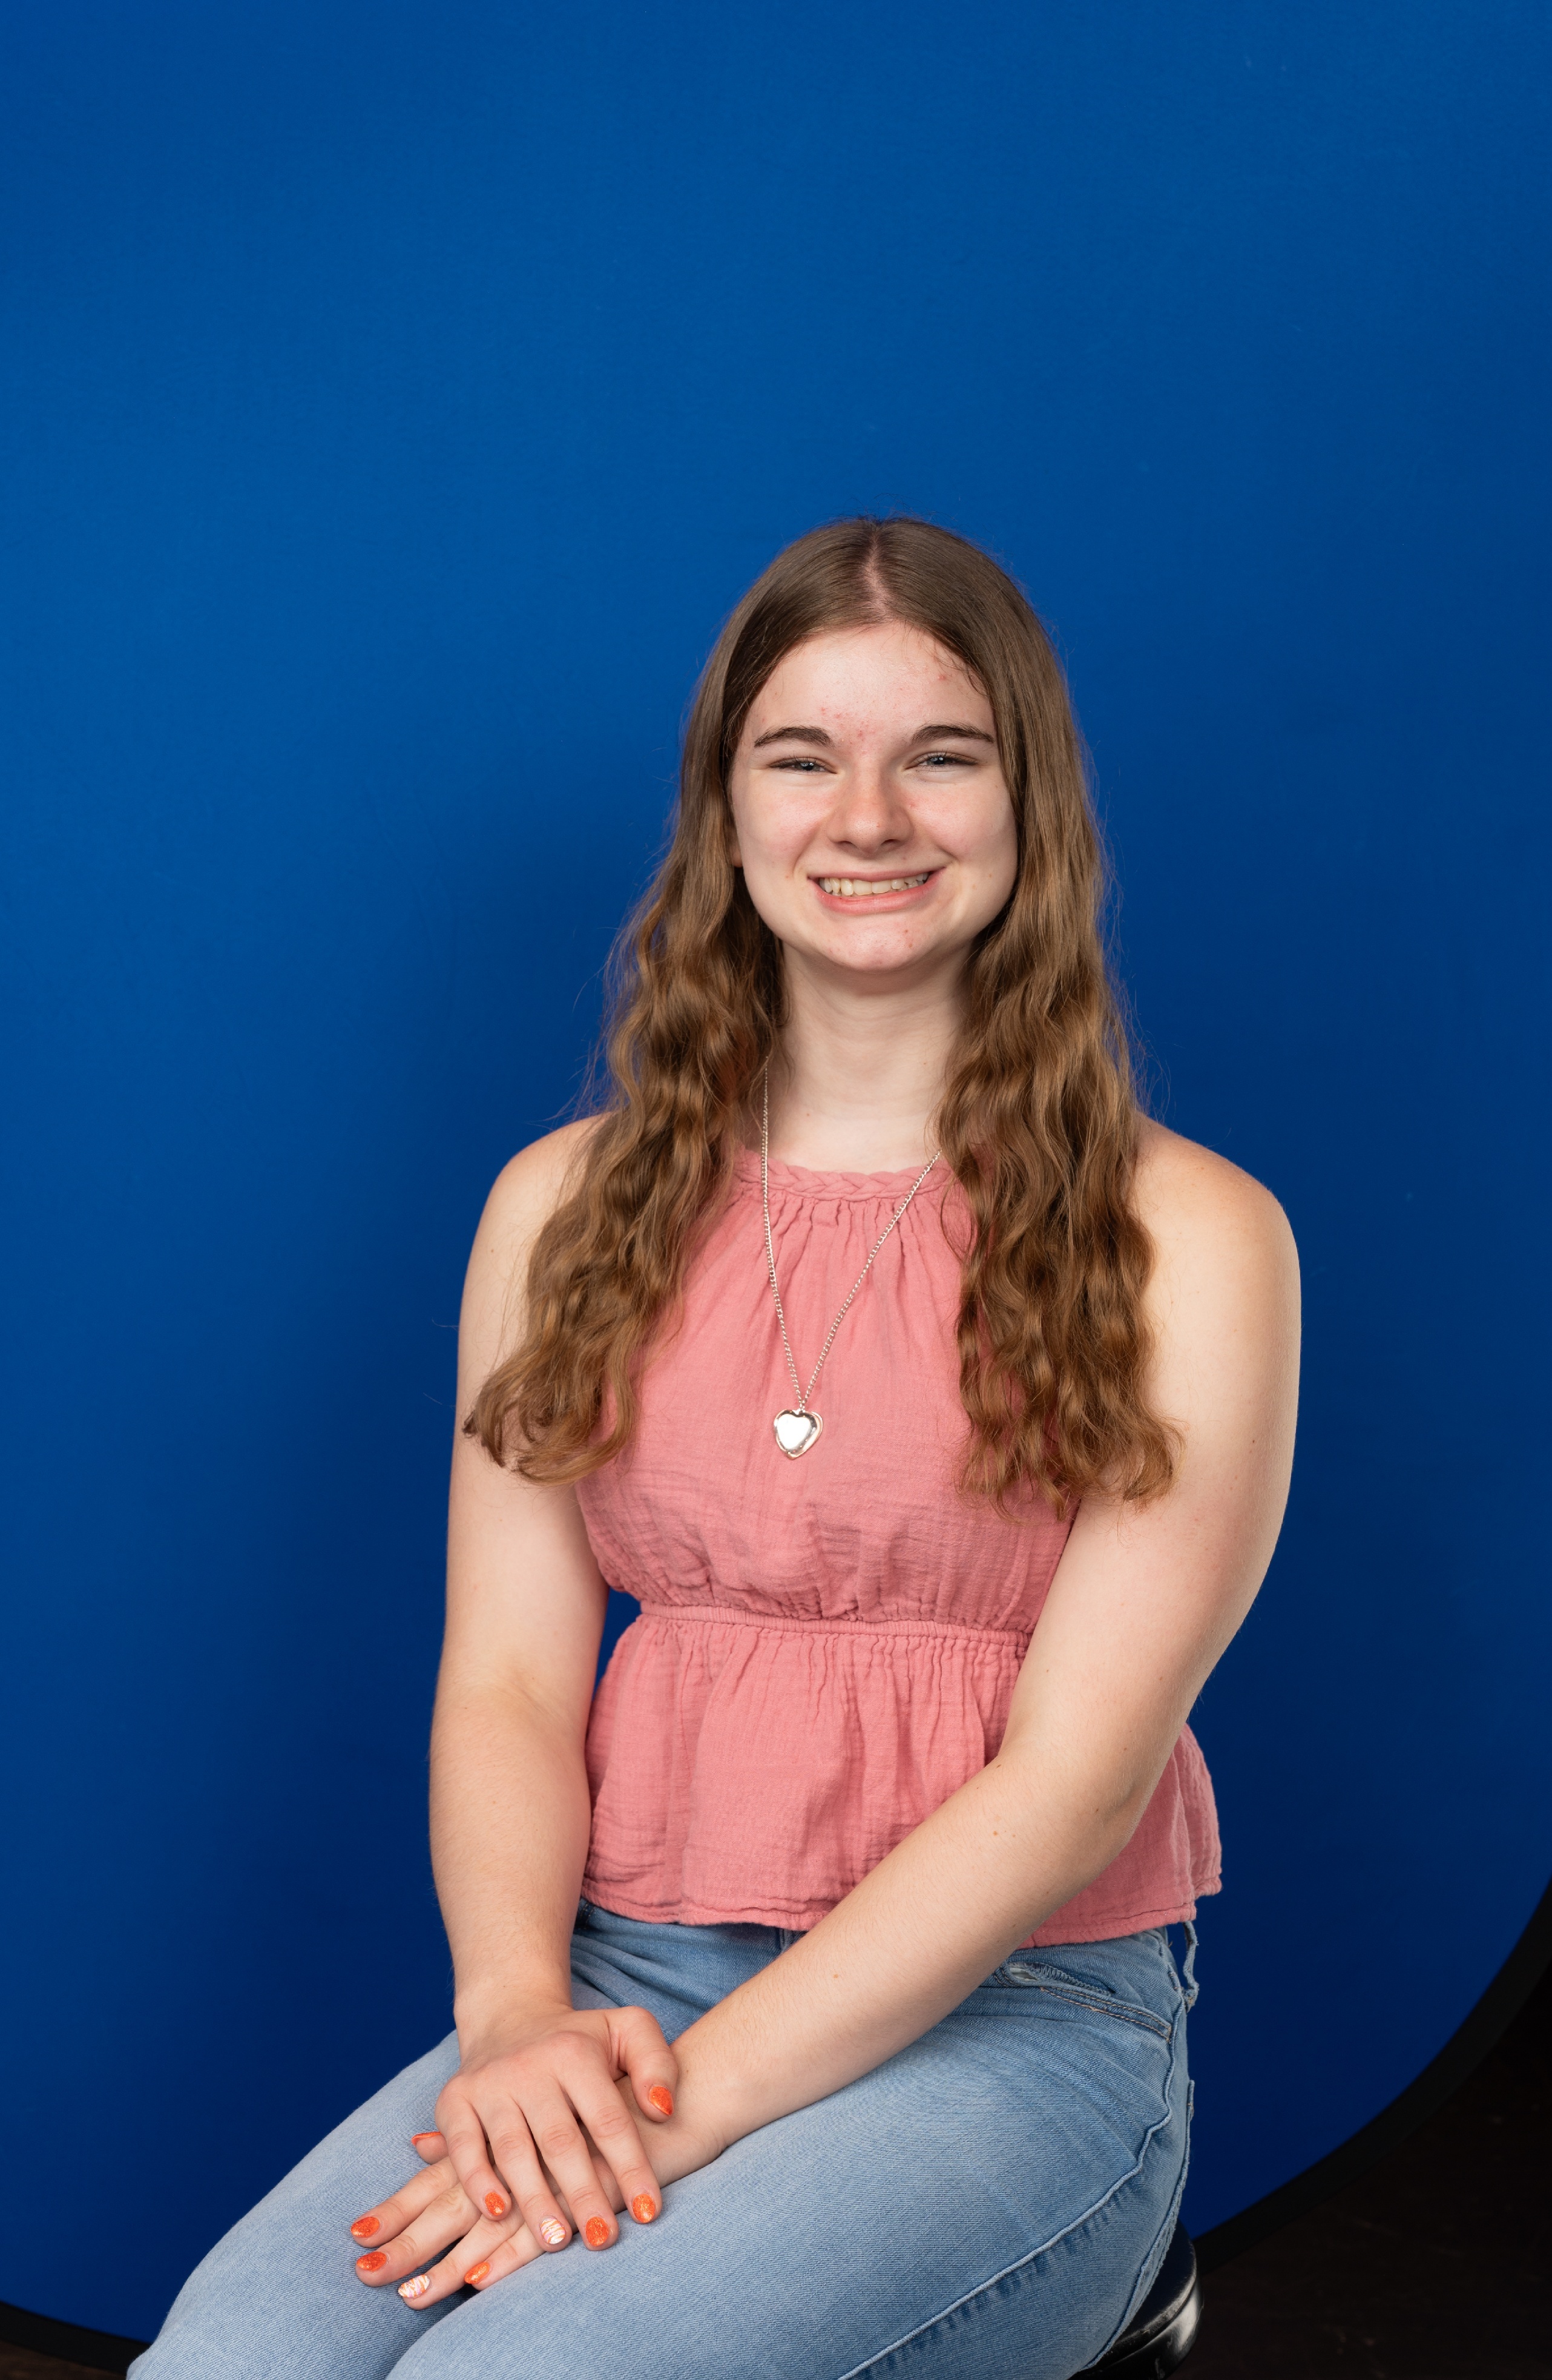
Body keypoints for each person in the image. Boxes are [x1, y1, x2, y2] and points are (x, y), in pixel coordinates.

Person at [133, 517, 1300, 2380]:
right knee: (229, 2365)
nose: (869, 815)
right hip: (625, 1986)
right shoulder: (558, 1208)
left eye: (941, 755)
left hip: (1015, 2024)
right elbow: (510, 1679)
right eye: (802, 756)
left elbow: (1076, 1783)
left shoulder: (1194, 1240)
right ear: (726, 810)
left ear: (1031, 802)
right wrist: (518, 2021)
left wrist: (678, 2124)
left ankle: (1114, 2269)